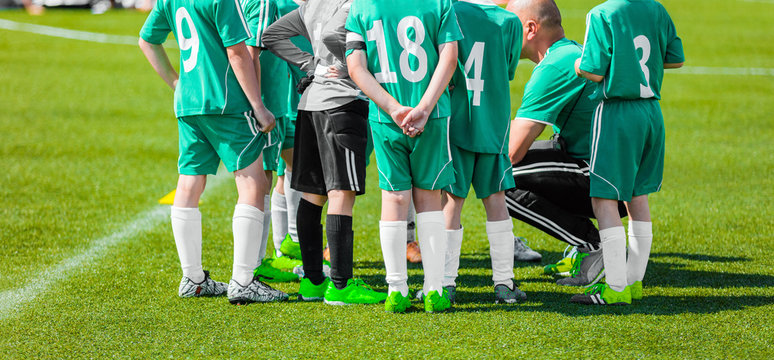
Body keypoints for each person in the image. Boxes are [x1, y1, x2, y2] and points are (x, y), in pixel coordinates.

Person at [138, 0, 289, 304]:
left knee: (189, 182)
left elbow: (146, 40)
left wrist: (177, 83)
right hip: (225, 102)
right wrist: (258, 107)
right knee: (253, 182)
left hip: (189, 104)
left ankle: (192, 278)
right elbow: (237, 53)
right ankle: (244, 281)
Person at [263, 0, 387, 305]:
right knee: (340, 193)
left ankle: (313, 281)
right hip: (341, 103)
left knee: (313, 195)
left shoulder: (313, 5)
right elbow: (334, 34)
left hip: (310, 104)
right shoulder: (354, 6)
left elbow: (270, 36)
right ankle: (341, 286)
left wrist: (311, 64)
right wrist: (345, 66)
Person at [346, 0, 462, 313]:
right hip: (433, 116)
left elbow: (356, 67)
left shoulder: (363, 7)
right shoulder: (440, 3)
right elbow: (449, 58)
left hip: (386, 119)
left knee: (394, 199)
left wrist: (393, 109)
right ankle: (433, 289)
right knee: (429, 199)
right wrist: (423, 108)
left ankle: (396, 288)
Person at [504, 0, 627, 287]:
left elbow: (511, 152)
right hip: (613, 173)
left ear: (530, 29)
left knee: (496, 177)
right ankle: (587, 246)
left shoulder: (554, 67)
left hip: (602, 178)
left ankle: (594, 246)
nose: (503, 36)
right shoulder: (567, 53)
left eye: (510, 28)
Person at [571, 0, 684, 305]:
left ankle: (616, 287)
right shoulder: (657, 9)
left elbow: (593, 71)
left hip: (617, 112)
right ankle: (634, 281)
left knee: (604, 198)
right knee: (637, 196)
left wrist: (577, 65)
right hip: (651, 112)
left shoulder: (602, 13)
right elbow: (675, 60)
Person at [438, 0, 526, 305]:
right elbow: (508, 69)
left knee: (452, 202)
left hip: (456, 121)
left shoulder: (448, 10)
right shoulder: (509, 21)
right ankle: (504, 283)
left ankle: (445, 283)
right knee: (496, 201)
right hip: (493, 121)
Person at [240, 0, 302, 283]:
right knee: (260, 179)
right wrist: (258, 105)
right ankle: (254, 263)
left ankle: (283, 249)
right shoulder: (263, 2)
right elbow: (251, 52)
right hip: (266, 103)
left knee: (293, 166)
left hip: (282, 98)